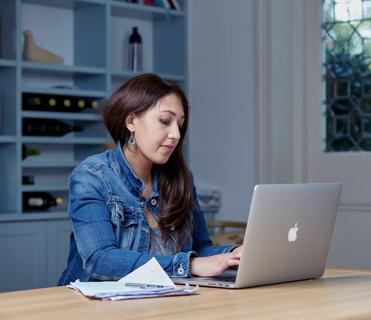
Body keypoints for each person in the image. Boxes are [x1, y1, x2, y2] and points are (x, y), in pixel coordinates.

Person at [58, 74, 242, 285]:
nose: (176, 134)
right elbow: (100, 259)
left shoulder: (181, 178)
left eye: (179, 125)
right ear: (131, 121)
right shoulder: (92, 176)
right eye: (165, 121)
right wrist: (188, 265)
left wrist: (234, 254)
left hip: (160, 302)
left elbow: (200, 249)